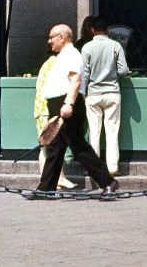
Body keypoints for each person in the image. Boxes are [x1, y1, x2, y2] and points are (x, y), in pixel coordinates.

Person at [32, 24, 118, 196]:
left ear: (62, 37)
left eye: (52, 37)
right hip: (60, 104)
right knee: (55, 149)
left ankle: (107, 182)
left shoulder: (71, 54)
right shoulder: (63, 56)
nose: (49, 41)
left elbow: (76, 80)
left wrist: (68, 104)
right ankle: (46, 188)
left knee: (78, 146)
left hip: (66, 104)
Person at [81, 16, 130, 176]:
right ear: (107, 30)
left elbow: (85, 73)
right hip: (112, 93)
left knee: (94, 133)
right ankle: (112, 167)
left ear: (92, 30)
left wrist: (82, 92)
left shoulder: (87, 47)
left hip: (93, 94)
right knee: (112, 132)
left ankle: (94, 168)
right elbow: (123, 71)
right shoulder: (115, 46)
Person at [33, 54, 76, 190]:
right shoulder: (57, 66)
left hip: (41, 109)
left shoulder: (47, 64)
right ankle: (57, 179)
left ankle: (54, 180)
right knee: (50, 147)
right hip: (46, 110)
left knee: (48, 147)